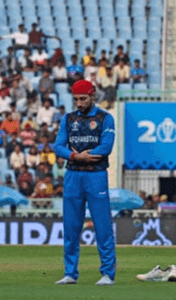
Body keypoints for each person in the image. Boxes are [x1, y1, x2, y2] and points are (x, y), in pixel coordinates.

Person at [54, 79, 116, 286]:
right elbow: (58, 146)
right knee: (71, 227)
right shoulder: (68, 119)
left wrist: (86, 156)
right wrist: (75, 156)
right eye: (76, 99)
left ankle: (107, 273)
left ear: (92, 95)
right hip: (73, 176)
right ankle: (70, 273)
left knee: (102, 227)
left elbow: (106, 147)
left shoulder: (105, 118)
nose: (79, 103)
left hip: (96, 176)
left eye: (83, 99)